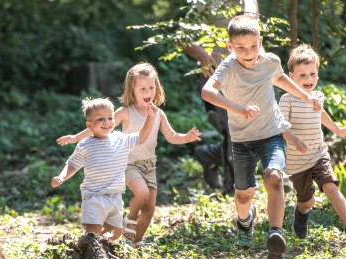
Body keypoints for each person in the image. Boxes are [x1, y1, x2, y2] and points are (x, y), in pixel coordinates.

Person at [201, 15, 323, 259]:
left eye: (253, 46)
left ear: (261, 41)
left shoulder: (270, 61)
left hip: (271, 134)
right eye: (241, 48)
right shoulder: (228, 66)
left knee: (274, 177)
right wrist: (237, 108)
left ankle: (275, 235)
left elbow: (279, 78)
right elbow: (207, 91)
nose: (248, 52)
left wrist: (306, 97)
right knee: (244, 194)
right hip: (242, 141)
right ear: (230, 46)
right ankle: (245, 222)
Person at [56, 62, 201, 246]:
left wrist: (187, 137)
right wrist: (75, 138)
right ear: (132, 90)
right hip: (129, 162)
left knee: (149, 209)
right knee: (141, 194)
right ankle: (130, 218)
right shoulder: (125, 112)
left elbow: (172, 137)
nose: (148, 92)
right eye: (142, 89)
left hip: (149, 165)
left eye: (151, 87)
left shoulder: (158, 114)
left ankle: (133, 242)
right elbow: (100, 127)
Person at [279, 44, 346, 243]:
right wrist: (295, 139)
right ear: (291, 77)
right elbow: (281, 127)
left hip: (318, 154)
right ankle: (301, 212)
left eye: (312, 74)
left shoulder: (317, 97)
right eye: (302, 75)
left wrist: (338, 130)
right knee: (307, 201)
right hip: (297, 161)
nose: (308, 79)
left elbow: (322, 115)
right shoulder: (287, 99)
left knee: (330, 187)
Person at [51, 97, 158, 240]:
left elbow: (142, 137)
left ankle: (99, 251)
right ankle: (88, 253)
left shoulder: (122, 139)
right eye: (100, 119)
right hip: (94, 195)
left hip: (115, 196)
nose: (107, 122)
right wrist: (62, 177)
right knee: (92, 231)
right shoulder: (85, 145)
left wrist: (150, 117)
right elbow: (72, 164)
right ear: (89, 125)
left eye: (110, 117)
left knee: (115, 233)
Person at [183, 0, 260, 194]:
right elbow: (184, 38)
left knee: (252, 131)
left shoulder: (251, 2)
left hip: (249, 78)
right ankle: (234, 188)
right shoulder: (206, 2)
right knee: (234, 130)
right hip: (218, 79)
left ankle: (208, 154)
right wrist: (202, 55)